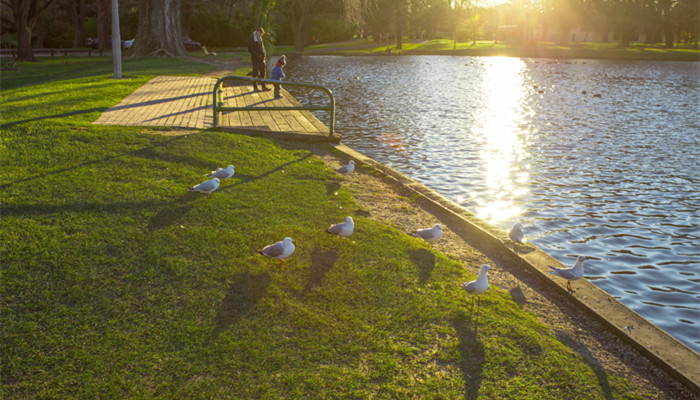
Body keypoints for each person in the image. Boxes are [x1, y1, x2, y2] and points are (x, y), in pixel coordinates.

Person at [247, 27, 270, 92]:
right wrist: (257, 55)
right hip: (255, 59)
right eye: (260, 33)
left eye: (261, 34)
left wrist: (264, 55)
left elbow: (262, 48)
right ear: (256, 31)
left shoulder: (260, 39)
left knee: (263, 73)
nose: (260, 35)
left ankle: (263, 86)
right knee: (255, 73)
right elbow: (250, 49)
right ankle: (255, 87)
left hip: (262, 59)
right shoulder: (251, 39)